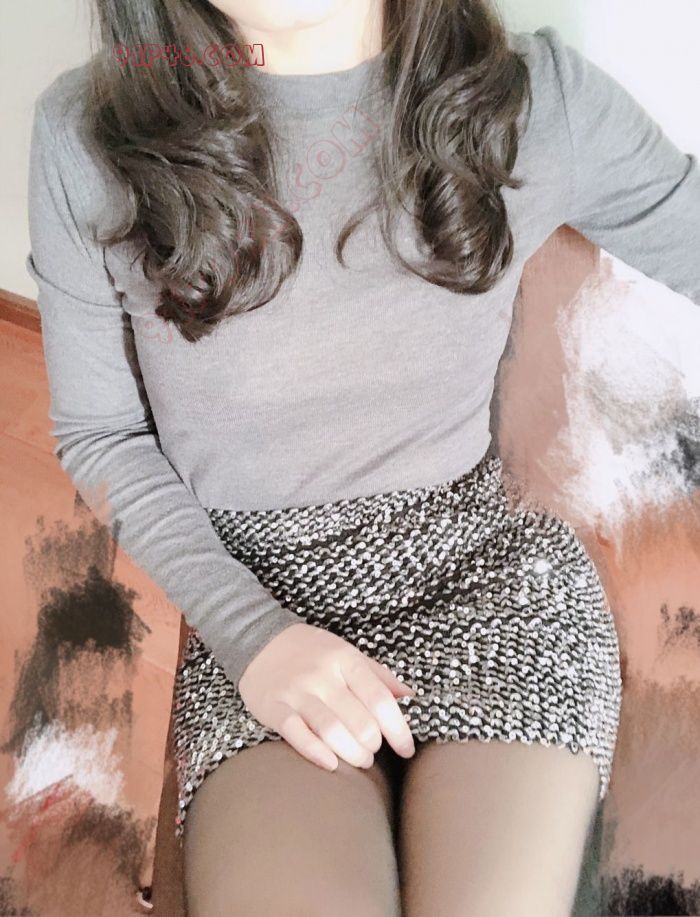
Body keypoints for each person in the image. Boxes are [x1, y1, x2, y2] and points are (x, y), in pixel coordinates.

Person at [26, 0, 699, 914]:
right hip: (259, 605)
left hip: (483, 581)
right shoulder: (89, 137)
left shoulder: (536, 102)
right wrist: (253, 637)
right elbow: (101, 434)